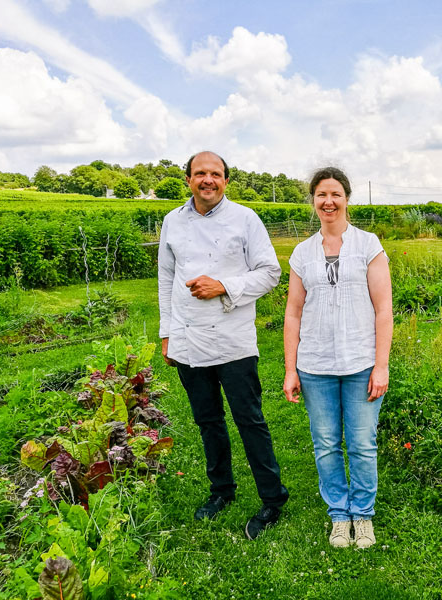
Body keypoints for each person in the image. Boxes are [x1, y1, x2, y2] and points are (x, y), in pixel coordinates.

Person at [158, 150, 288, 540]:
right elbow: (166, 278)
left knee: (250, 420)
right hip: (188, 339)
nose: (208, 180)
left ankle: (272, 498)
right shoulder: (172, 222)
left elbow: (270, 273)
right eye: (200, 173)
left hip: (234, 341)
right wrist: (167, 333)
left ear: (226, 181)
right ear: (188, 180)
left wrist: (224, 286)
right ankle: (221, 491)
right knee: (208, 422)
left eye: (216, 174)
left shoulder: (245, 219)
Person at [283, 167, 393, 549]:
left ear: (347, 198)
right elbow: (293, 313)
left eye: (335, 194)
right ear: (313, 201)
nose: (328, 201)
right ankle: (338, 515)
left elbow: (383, 310)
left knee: (362, 444)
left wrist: (381, 365)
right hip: (315, 366)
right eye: (321, 195)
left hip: (361, 363)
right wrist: (290, 369)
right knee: (326, 444)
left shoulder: (368, 245)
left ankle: (362, 515)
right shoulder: (302, 253)